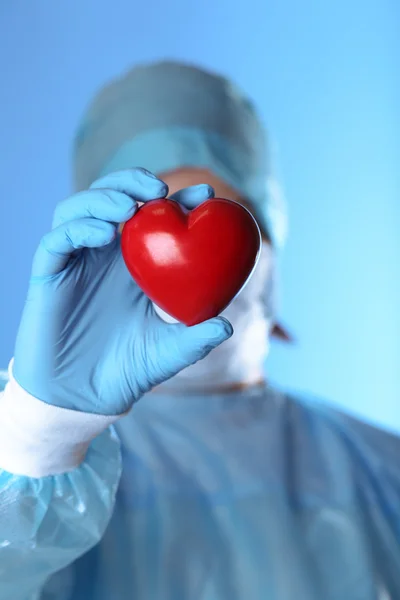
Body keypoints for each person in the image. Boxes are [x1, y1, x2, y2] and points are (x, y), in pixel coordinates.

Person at [0, 61, 399, 600]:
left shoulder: (381, 465)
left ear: (269, 249)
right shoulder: (47, 470)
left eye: (228, 214)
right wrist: (38, 439)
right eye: (151, 218)